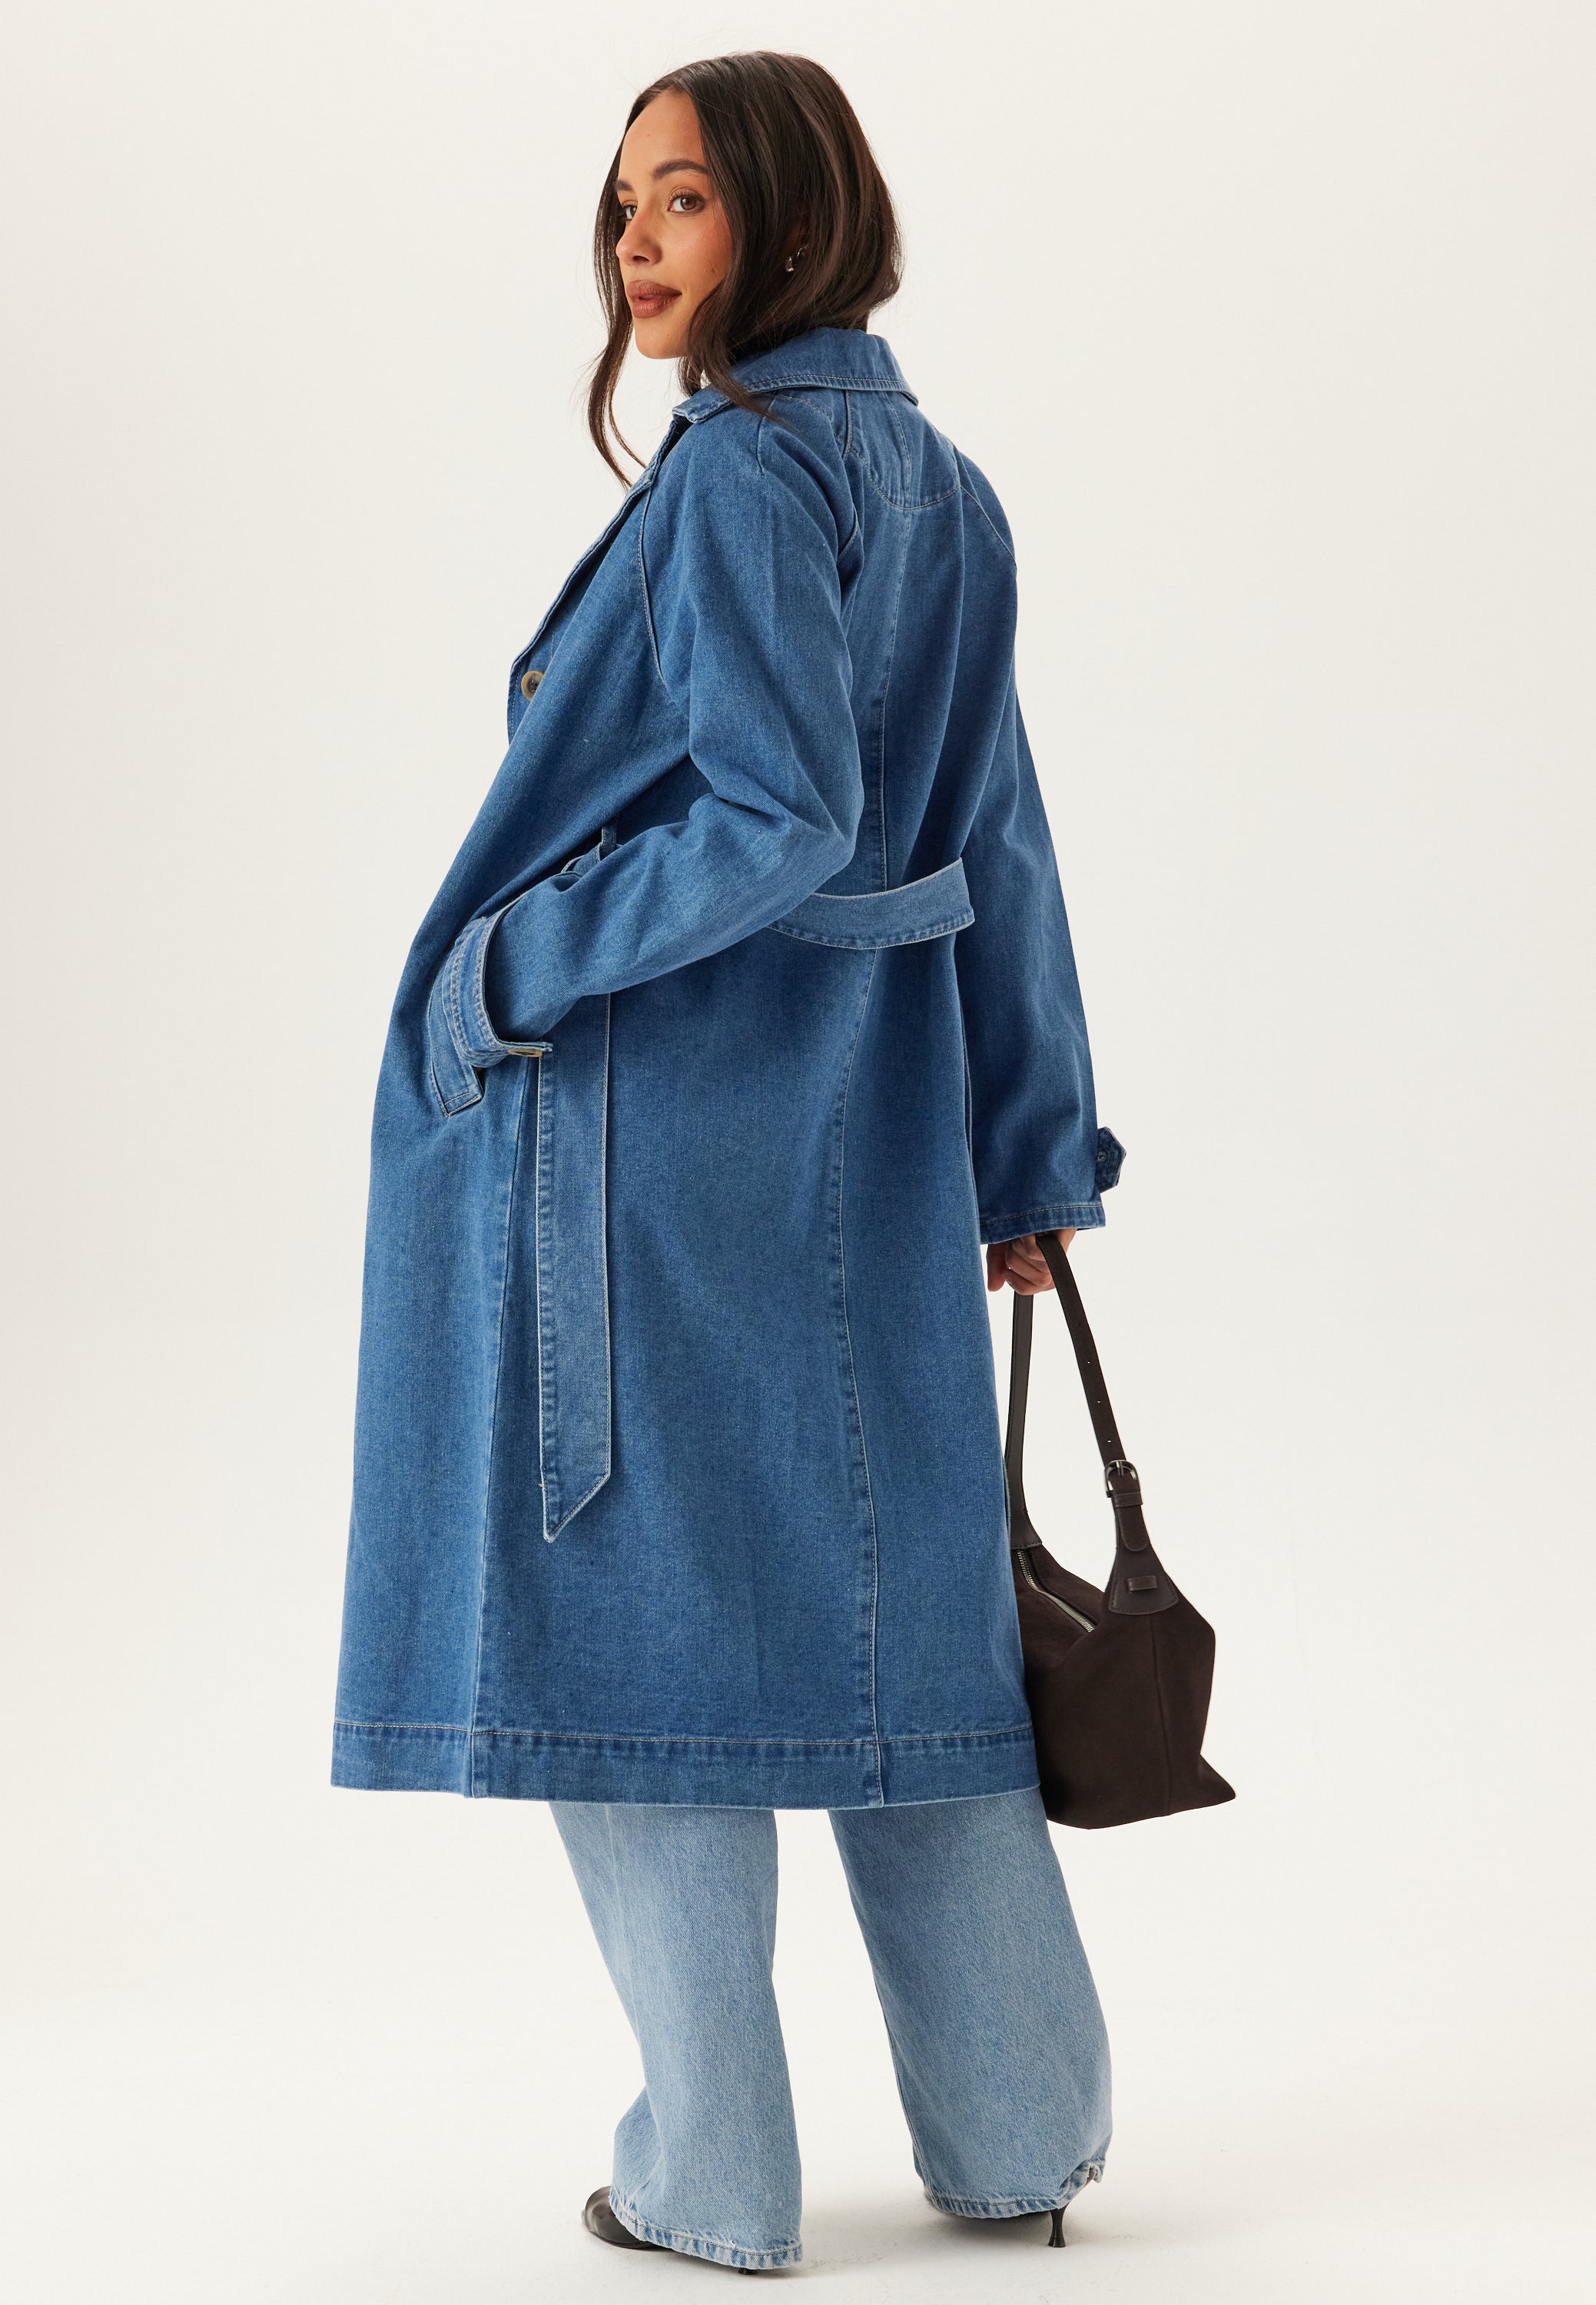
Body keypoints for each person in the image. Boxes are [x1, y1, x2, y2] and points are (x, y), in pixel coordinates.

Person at [330, 49, 1123, 2275]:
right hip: (865, 1146)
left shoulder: (740, 478)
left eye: (678, 197)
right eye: (620, 208)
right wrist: (1025, 1152)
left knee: (630, 1643)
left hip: (658, 1149)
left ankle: (713, 2177)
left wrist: (512, 965)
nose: (636, 244)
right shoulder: (946, 486)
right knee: (906, 1624)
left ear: (791, 206)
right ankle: (1023, 2135)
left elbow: (779, 819)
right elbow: (999, 840)